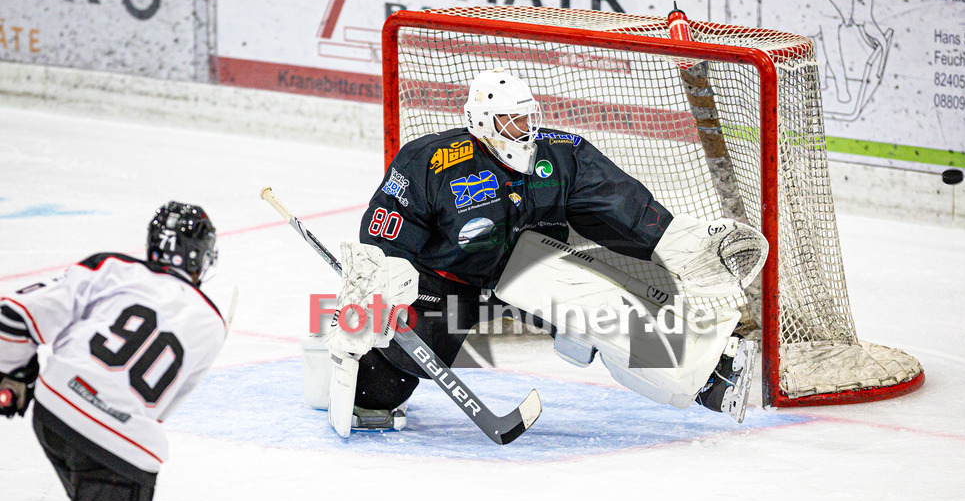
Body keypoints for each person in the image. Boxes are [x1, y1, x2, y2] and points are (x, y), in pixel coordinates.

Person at [304, 67, 767, 436]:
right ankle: (351, 377)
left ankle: (709, 376)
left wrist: (676, 238)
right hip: (443, 283)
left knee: (605, 310)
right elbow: (381, 240)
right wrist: (372, 299)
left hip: (524, 268)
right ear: (481, 123)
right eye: (511, 121)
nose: (524, 130)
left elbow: (619, 205)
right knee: (394, 375)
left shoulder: (562, 155)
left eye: (528, 118)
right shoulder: (429, 161)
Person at [1, 202, 226, 501]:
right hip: (117, 445)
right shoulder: (212, 323)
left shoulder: (112, 268)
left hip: (53, 412)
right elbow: (160, 407)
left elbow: (13, 316)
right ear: (202, 256)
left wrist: (14, 372)